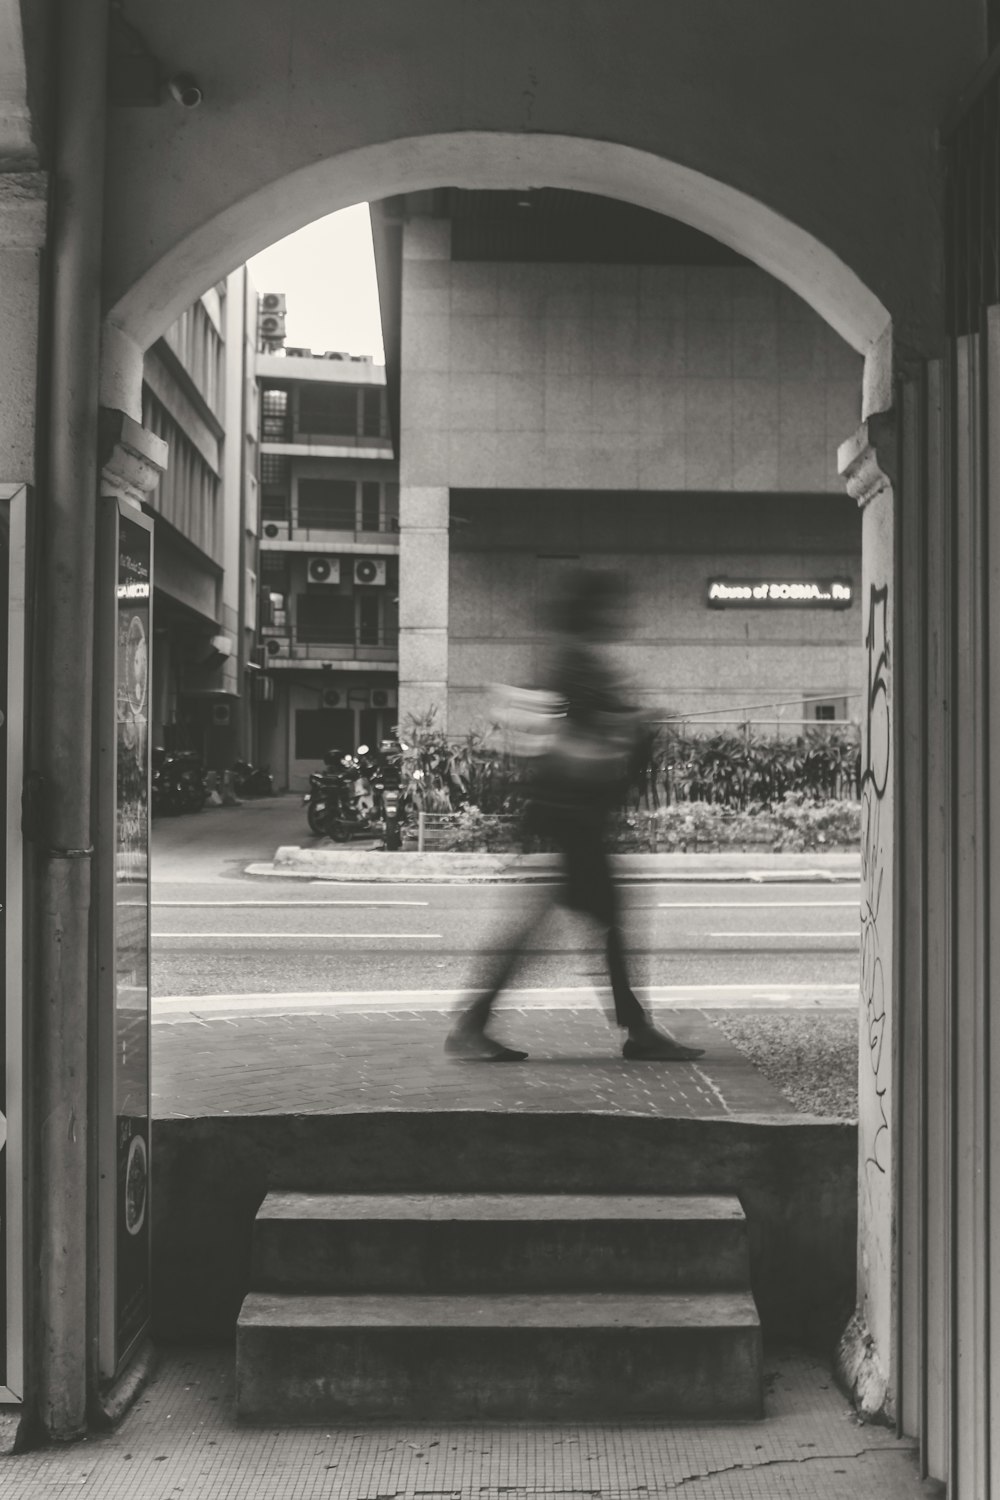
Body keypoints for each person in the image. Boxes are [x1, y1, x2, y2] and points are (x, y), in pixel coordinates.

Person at [446, 569, 705, 1064]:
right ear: (592, 613)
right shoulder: (577, 663)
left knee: (585, 919)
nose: (619, 618)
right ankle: (634, 1030)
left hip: (568, 814)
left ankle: (478, 1022)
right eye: (611, 609)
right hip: (575, 814)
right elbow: (588, 727)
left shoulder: (571, 659)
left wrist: (628, 720)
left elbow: (581, 723)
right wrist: (637, 722)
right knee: (603, 918)